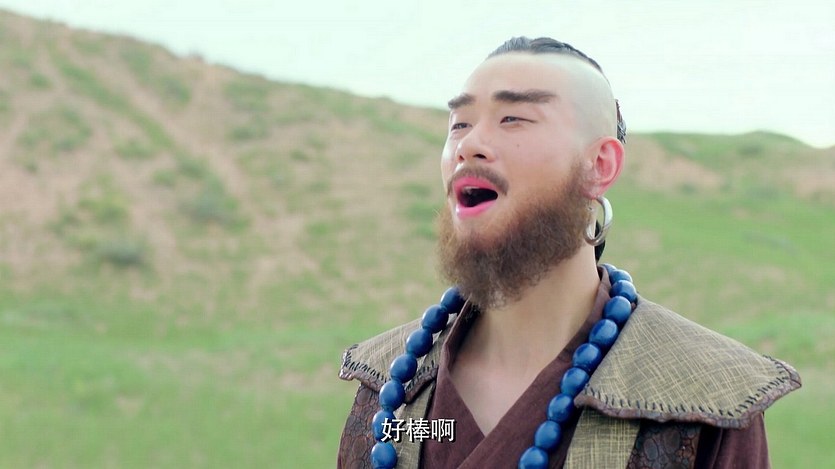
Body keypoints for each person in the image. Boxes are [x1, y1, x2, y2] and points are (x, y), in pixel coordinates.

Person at [337, 37, 801, 468]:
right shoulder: (391, 389)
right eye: (459, 123)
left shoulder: (706, 398)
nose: (469, 145)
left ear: (599, 165)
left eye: (512, 119)